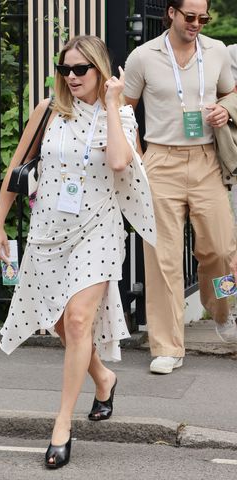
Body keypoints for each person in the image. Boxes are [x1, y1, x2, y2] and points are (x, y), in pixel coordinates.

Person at [0, 35, 156, 469]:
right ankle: (103, 377)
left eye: (82, 69)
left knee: (80, 320)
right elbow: (17, 167)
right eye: (66, 69)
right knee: (61, 322)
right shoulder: (47, 112)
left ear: (101, 70)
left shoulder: (120, 116)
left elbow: (121, 162)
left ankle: (61, 424)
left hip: (98, 229)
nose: (72, 77)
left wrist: (116, 105)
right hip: (49, 229)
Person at [124, 0, 237, 375]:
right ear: (170, 13)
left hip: (206, 161)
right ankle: (168, 346)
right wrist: (138, 157)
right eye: (190, 16)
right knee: (162, 259)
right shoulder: (143, 57)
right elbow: (125, 109)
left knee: (221, 249)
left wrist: (227, 109)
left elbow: (232, 92)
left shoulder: (216, 51)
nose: (197, 24)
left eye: (203, 18)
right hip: (161, 162)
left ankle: (221, 310)